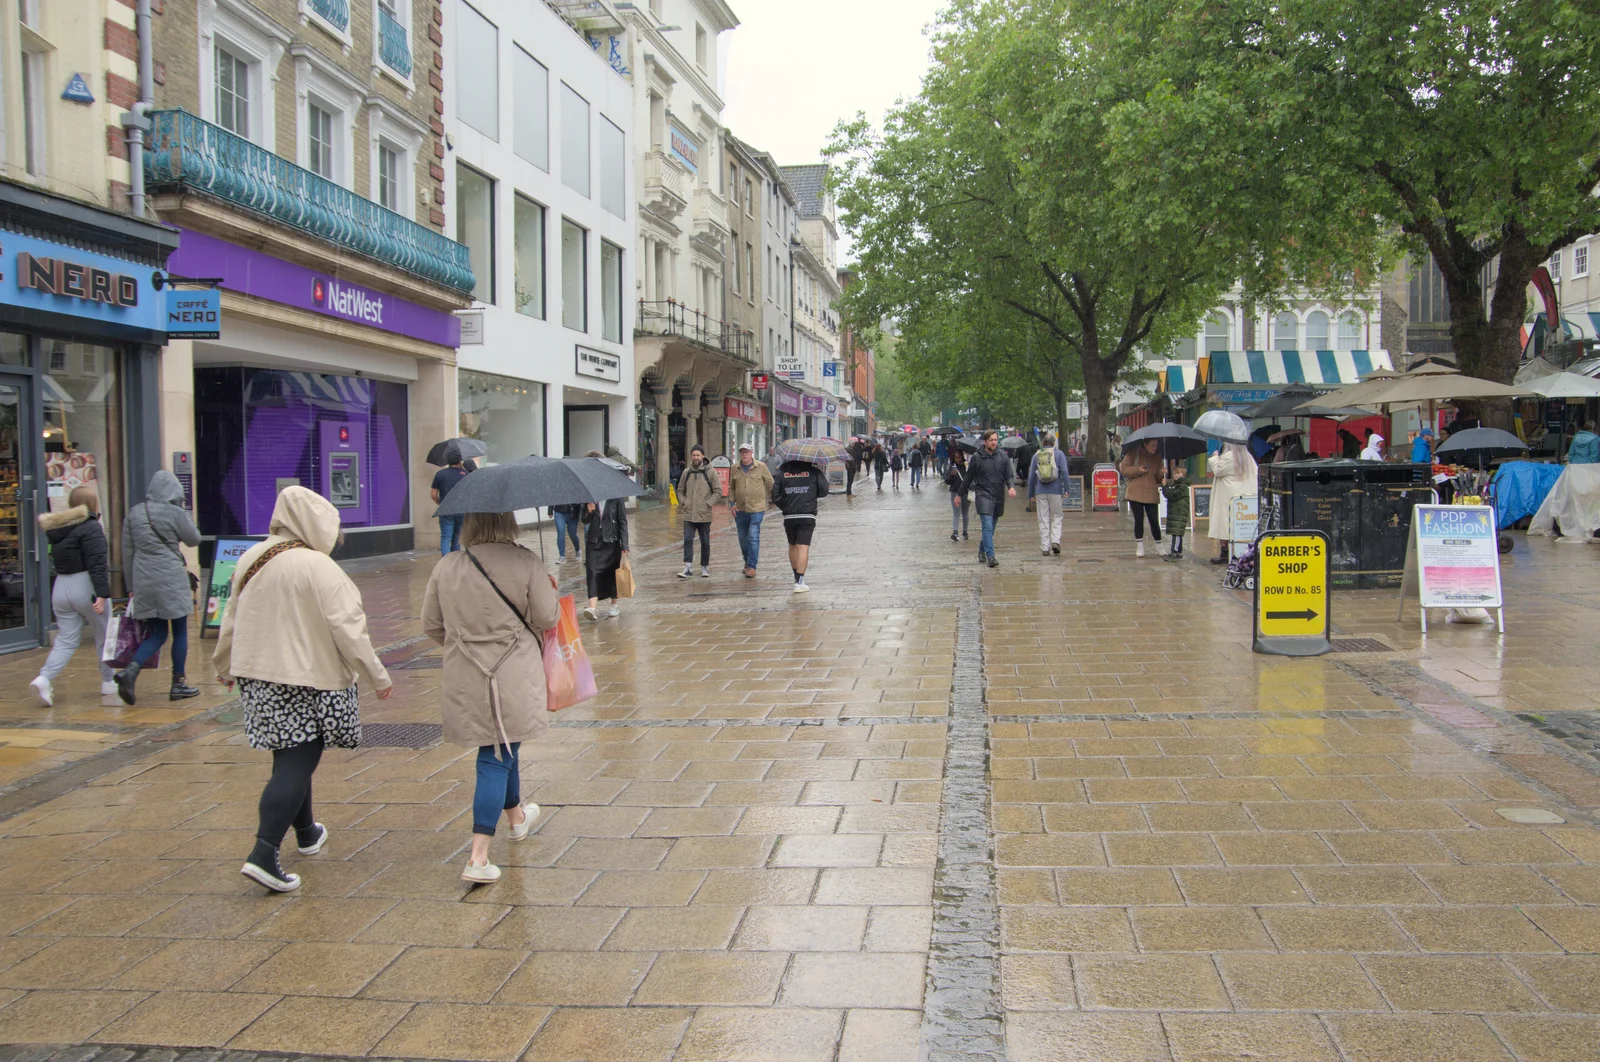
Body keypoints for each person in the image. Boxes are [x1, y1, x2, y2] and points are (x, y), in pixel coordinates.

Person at [216, 486, 393, 892]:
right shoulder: (320, 567)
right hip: (308, 677)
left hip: (260, 675)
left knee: (289, 752)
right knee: (300, 758)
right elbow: (350, 629)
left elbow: (232, 616)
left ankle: (307, 831)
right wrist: (377, 675)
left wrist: (224, 665)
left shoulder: (252, 558)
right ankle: (263, 852)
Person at [423, 510, 561, 884]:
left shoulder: (448, 565)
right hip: (513, 672)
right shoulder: (525, 560)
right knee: (496, 755)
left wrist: (464, 646)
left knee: (504, 744)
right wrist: (549, 589)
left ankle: (516, 818)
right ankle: (478, 856)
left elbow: (432, 625)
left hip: (466, 674)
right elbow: (548, 618)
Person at [115, 470, 201, 705]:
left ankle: (130, 671)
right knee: (180, 631)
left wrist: (131, 586)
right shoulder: (175, 513)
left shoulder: (134, 513)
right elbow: (195, 539)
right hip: (171, 577)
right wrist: (183, 515)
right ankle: (178, 683)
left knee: (157, 633)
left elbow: (127, 553)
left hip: (143, 578)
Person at [30, 486, 116, 706]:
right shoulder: (91, 527)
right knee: (104, 635)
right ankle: (108, 682)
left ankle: (44, 678)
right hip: (85, 585)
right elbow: (97, 563)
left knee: (66, 639)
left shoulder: (58, 530)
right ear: (92, 503)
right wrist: (102, 594)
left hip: (61, 586)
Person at [772, 458, 829, 592]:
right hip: (807, 515)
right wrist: (811, 495)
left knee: (792, 545)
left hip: (789, 516)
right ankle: (800, 581)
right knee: (803, 547)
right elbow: (824, 490)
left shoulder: (782, 473)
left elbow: (775, 495)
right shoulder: (814, 471)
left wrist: (785, 507)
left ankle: (796, 576)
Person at [962, 431, 1016, 568]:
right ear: (985, 441)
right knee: (986, 525)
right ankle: (991, 556)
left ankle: (982, 550)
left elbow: (1008, 475)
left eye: (996, 440)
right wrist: (959, 494)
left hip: (998, 496)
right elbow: (968, 477)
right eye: (991, 440)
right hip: (983, 494)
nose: (994, 442)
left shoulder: (1002, 456)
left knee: (990, 529)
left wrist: (1011, 487)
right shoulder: (977, 457)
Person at [676, 444, 725, 578]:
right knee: (687, 540)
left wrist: (708, 503)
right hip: (689, 513)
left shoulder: (711, 472)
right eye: (693, 455)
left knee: (705, 542)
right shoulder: (686, 472)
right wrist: (684, 502)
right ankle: (687, 567)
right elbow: (680, 490)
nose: (696, 457)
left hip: (704, 514)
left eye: (698, 455)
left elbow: (718, 491)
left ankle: (704, 566)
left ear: (703, 456)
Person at [1208, 442, 1259, 564]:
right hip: (1244, 497)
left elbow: (1218, 470)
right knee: (1240, 526)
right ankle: (1244, 552)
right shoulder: (1248, 457)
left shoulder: (1229, 456)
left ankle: (1225, 551)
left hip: (1228, 496)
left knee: (1225, 524)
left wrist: (1215, 457)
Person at [583, 489, 629, 620]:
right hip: (594, 542)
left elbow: (623, 521)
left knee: (612, 573)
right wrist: (588, 510)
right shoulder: (590, 496)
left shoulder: (616, 497)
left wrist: (625, 545)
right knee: (592, 572)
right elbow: (584, 520)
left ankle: (614, 604)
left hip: (611, 541)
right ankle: (592, 608)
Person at [730, 443, 774, 578]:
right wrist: (732, 503)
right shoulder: (735, 468)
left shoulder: (761, 467)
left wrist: (770, 498)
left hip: (757, 508)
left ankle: (752, 567)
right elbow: (731, 487)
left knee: (753, 536)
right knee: (743, 538)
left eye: (747, 452)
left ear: (751, 453)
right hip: (740, 509)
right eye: (742, 452)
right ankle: (747, 561)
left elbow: (770, 482)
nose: (744, 454)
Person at [1119, 439, 1164, 558]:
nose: (1155, 447)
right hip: (1135, 492)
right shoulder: (1133, 453)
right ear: (1145, 444)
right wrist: (1138, 470)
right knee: (1138, 520)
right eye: (1152, 445)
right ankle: (1140, 546)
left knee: (1154, 520)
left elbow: (1158, 477)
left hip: (1151, 492)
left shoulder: (1158, 457)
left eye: (1156, 445)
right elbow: (1123, 469)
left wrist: (1163, 473)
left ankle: (1159, 545)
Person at [1027, 432, 1068, 556]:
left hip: (1040, 491)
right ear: (1053, 443)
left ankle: (1045, 547)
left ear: (1043, 443)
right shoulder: (1059, 454)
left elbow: (1031, 477)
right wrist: (1067, 488)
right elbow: (1064, 472)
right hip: (1056, 490)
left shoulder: (1037, 455)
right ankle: (1055, 541)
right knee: (1056, 516)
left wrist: (1031, 494)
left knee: (1043, 518)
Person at [431, 449, 470, 555]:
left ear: (448, 461)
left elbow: (433, 495)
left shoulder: (440, 474)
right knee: (456, 538)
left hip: (446, 510)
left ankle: (445, 564)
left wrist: (441, 504)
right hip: (461, 510)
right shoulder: (465, 474)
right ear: (459, 461)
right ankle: (454, 563)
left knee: (445, 538)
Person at [1162, 464, 1191, 561]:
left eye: (1178, 473)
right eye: (1174, 473)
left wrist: (1165, 486)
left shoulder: (1182, 487)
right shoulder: (1177, 485)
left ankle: (1174, 552)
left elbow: (1171, 495)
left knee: (1177, 533)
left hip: (1179, 513)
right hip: (1176, 513)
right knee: (1176, 533)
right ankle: (1178, 551)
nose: (1175, 475)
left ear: (1183, 475)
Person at [946, 448, 971, 542]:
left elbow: (972, 478)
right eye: (956, 458)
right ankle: (955, 532)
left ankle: (965, 532)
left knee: (965, 513)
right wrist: (951, 475)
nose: (958, 459)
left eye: (959, 457)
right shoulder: (952, 467)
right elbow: (947, 481)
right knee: (956, 513)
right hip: (955, 492)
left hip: (966, 492)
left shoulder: (967, 466)